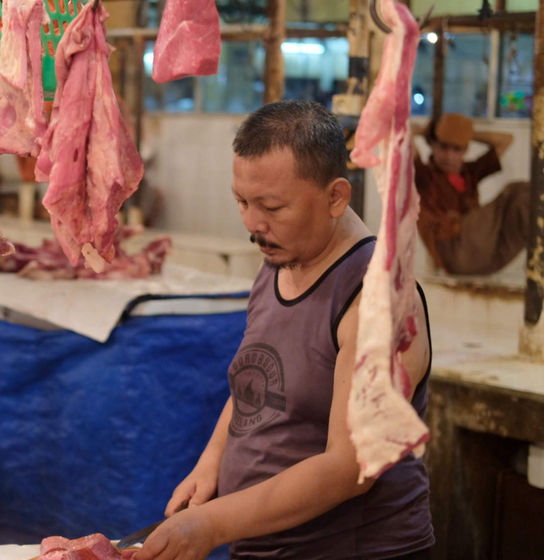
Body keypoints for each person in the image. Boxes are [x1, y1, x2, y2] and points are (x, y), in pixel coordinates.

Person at [135, 100, 433, 560]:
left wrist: (213, 523)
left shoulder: (378, 296)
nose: (253, 225)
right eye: (242, 202)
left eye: (272, 207)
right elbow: (255, 388)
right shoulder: (279, 259)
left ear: (336, 197)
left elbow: (350, 467)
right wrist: (212, 463)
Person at [413, 112, 529, 276]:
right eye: (443, 147)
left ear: (465, 150)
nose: (449, 156)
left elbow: (506, 140)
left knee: (529, 196)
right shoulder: (424, 175)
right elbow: (403, 138)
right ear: (433, 146)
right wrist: (422, 131)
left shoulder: (470, 172)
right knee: (515, 191)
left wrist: (465, 133)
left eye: (457, 149)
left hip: (483, 254)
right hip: (453, 250)